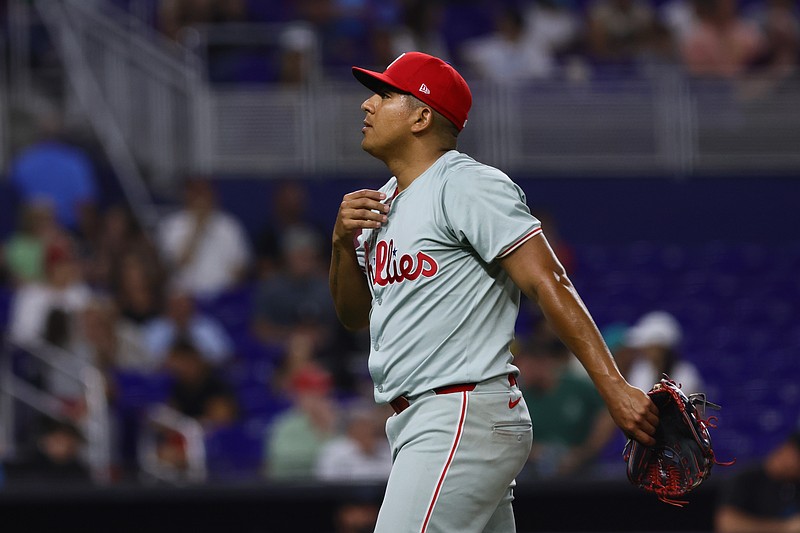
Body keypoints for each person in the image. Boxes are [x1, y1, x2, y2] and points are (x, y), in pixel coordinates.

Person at [329, 51, 658, 532]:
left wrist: (613, 387)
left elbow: (550, 281)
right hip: (424, 420)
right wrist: (341, 244)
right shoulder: (383, 204)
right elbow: (352, 316)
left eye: (384, 94)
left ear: (422, 116)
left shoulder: (464, 183)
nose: (367, 106)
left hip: (458, 411)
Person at [715, 429, 800, 533]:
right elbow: (726, 524)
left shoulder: (794, 483)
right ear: (787, 450)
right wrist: (784, 528)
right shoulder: (748, 478)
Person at [624, 310, 705, 395]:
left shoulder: (685, 373)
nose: (644, 350)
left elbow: (695, 406)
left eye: (649, 346)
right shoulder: (640, 370)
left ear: (660, 348)